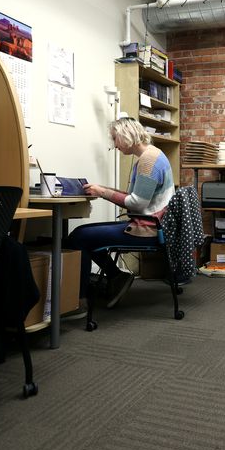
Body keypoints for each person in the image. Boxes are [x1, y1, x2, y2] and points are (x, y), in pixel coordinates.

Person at [65, 117, 175, 309]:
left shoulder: (148, 161)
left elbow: (138, 203)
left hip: (147, 229)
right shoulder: (152, 155)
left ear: (126, 135)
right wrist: (102, 189)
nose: (114, 144)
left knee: (79, 237)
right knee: (81, 235)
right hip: (151, 224)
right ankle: (116, 277)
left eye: (115, 138)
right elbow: (138, 197)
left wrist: (103, 192)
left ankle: (79, 301)